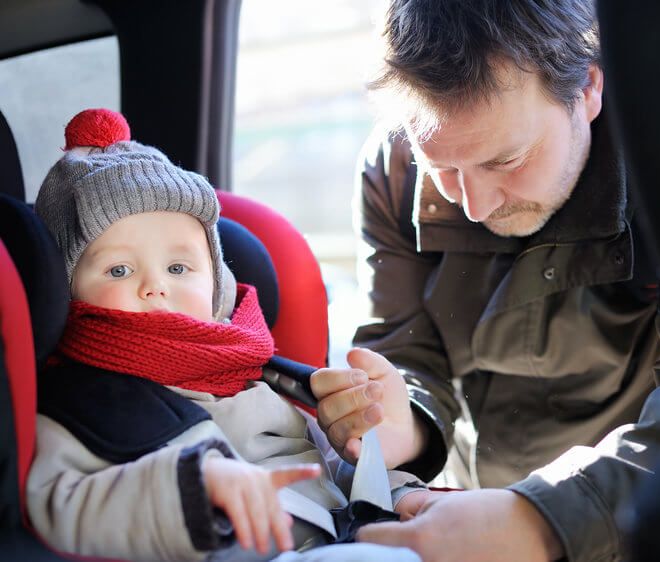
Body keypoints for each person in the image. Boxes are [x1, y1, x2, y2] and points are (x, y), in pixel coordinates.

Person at [308, 1, 660, 561]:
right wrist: (403, 422)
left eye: (506, 161)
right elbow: (407, 348)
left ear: (588, 89)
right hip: (474, 509)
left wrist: (541, 517)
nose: (473, 206)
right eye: (442, 168)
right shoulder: (395, 167)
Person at [25, 108, 428, 562]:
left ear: (217, 287)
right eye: (119, 269)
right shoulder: (75, 403)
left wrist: (400, 495)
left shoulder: (250, 374)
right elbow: (60, 503)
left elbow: (326, 470)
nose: (155, 286)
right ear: (65, 291)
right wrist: (194, 491)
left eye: (179, 268)